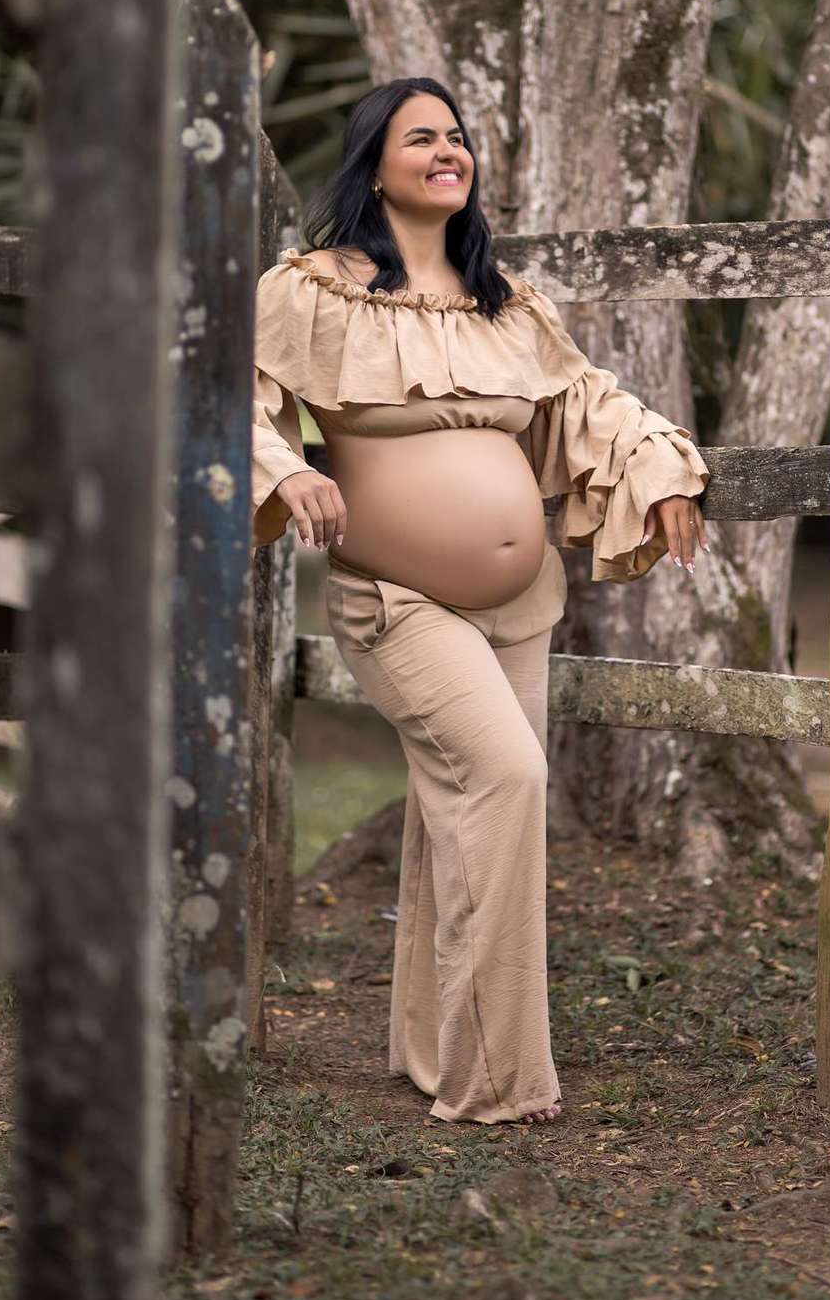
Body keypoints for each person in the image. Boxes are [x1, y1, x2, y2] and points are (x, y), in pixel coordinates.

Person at [251, 77, 710, 1127]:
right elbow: (232, 393)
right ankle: (498, 1081)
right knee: (505, 780)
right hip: (396, 600)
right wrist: (285, 472)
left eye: (457, 136)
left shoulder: (507, 301)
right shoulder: (310, 290)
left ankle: (427, 1046)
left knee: (452, 812)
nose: (448, 150)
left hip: (522, 603)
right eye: (423, 137)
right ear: (376, 165)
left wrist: (661, 466)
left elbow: (587, 402)